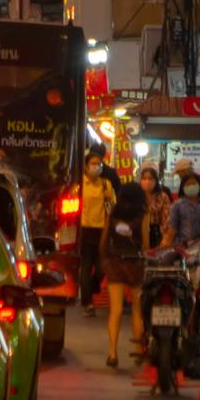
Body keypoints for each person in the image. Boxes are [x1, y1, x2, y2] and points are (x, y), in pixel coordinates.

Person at [105, 173, 148, 368]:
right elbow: (146, 243)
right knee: (137, 311)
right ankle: (139, 351)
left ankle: (112, 353)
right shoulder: (143, 214)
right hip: (135, 263)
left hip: (115, 262)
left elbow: (105, 238)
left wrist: (103, 260)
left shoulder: (114, 212)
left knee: (116, 310)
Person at [78, 143, 117, 306]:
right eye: (93, 164)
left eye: (99, 164)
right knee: (86, 266)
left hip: (102, 230)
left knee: (101, 268)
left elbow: (113, 205)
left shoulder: (105, 184)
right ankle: (87, 303)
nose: (96, 166)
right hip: (84, 229)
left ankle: (92, 286)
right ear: (86, 167)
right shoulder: (80, 184)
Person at [164, 171, 200, 249]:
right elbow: (172, 230)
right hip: (183, 247)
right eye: (188, 185)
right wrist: (165, 245)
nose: (191, 186)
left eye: (193, 184)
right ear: (183, 187)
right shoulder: (177, 205)